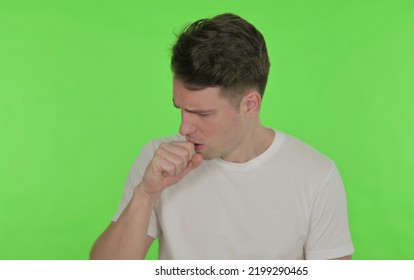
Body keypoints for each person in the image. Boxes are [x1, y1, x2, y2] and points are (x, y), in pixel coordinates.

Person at [90, 13, 354, 260]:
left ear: (250, 105)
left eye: (202, 114)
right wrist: (145, 194)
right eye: (179, 108)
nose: (184, 128)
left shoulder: (315, 175)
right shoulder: (158, 162)